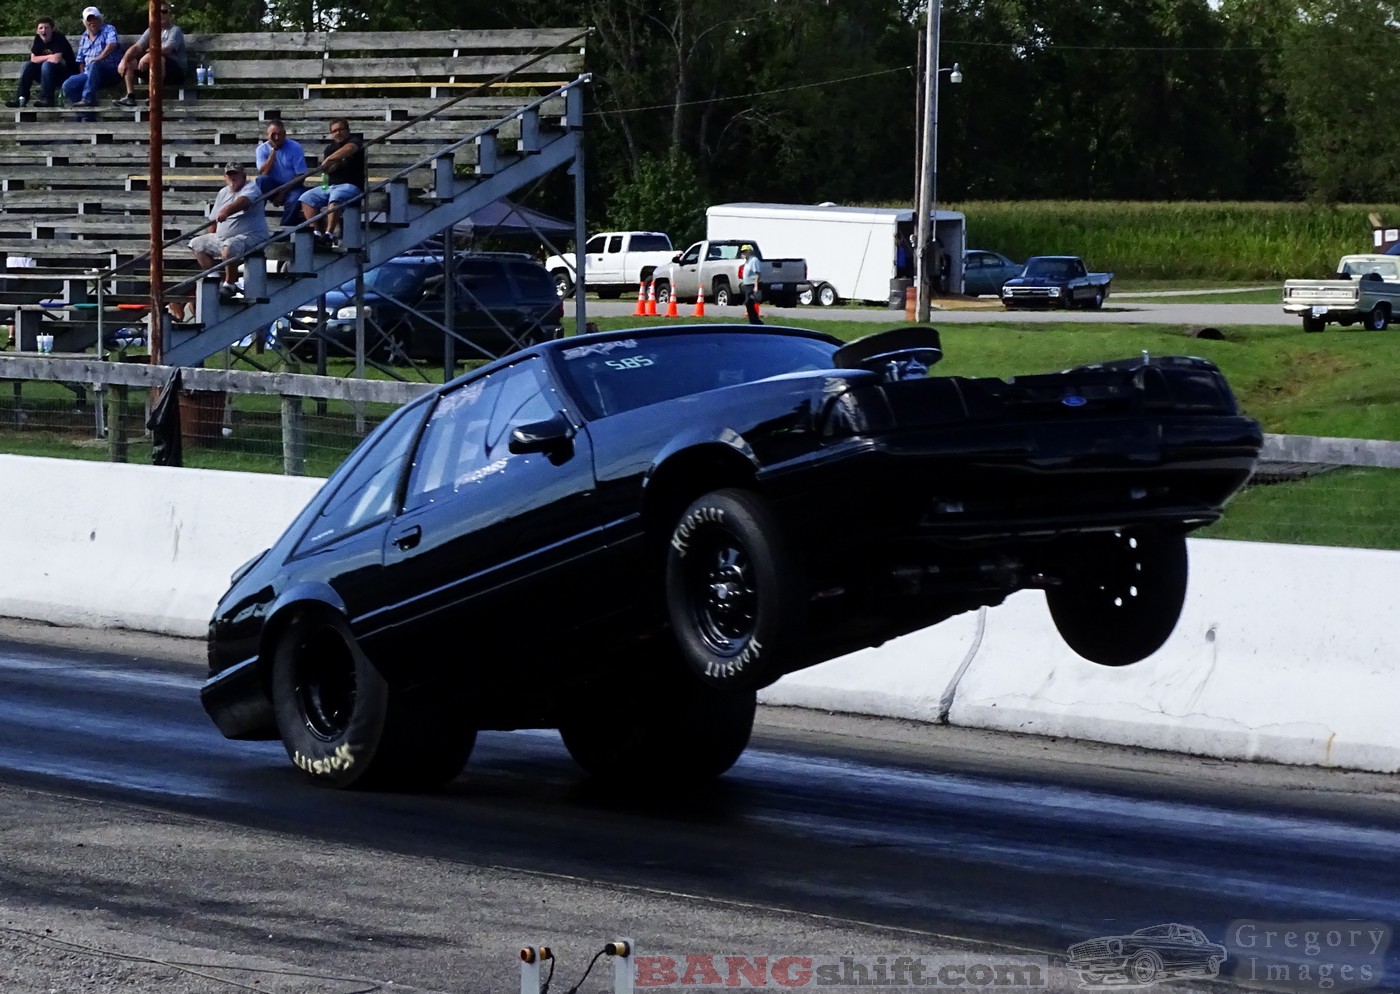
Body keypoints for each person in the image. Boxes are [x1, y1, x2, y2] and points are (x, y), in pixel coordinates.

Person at [188, 163, 268, 300]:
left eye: (235, 174)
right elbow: (213, 219)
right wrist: (211, 235)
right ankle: (213, 277)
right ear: (225, 177)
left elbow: (244, 201)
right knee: (196, 243)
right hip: (223, 237)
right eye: (229, 175)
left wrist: (227, 210)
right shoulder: (223, 192)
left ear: (243, 175)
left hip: (250, 236)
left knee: (229, 247)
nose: (233, 178)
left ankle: (230, 284)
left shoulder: (251, 188)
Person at [299, 117, 365, 245]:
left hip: (352, 186)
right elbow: (327, 171)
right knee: (306, 198)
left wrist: (330, 160)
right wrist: (336, 161)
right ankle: (316, 232)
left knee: (336, 196)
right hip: (330, 186)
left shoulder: (355, 141)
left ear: (347, 130)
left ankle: (329, 234)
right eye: (334, 131)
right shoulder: (329, 148)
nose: (337, 133)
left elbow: (350, 148)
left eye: (340, 129)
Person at [114, 2, 185, 107]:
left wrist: (149, 55)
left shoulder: (175, 31)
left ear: (170, 15)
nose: (161, 14)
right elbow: (137, 47)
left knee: (159, 59)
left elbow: (167, 50)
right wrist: (124, 61)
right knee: (130, 61)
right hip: (156, 70)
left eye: (164, 11)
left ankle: (156, 96)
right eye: (157, 12)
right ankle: (130, 97)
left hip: (176, 72)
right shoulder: (152, 29)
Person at [6, 16, 76, 108]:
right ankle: (21, 98)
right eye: (41, 28)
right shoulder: (38, 39)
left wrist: (45, 58)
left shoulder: (59, 38)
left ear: (52, 29)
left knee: (46, 65)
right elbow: (33, 59)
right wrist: (50, 56)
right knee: (28, 66)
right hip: (46, 76)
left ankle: (47, 99)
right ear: (37, 31)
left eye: (46, 28)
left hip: (64, 76)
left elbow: (56, 59)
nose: (44, 31)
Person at [61, 6, 120, 108]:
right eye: (89, 20)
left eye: (95, 19)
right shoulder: (84, 36)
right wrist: (83, 74)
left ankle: (88, 99)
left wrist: (99, 58)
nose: (92, 22)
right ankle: (86, 116)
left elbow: (112, 44)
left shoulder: (109, 29)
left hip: (109, 72)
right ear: (84, 22)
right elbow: (81, 60)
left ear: (100, 19)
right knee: (68, 85)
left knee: (95, 64)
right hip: (89, 74)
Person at [254, 121, 309, 225]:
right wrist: (274, 150)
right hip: (273, 186)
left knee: (296, 198)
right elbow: (264, 172)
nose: (276, 137)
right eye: (273, 134)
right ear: (268, 135)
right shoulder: (261, 149)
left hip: (293, 186)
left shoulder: (295, 147)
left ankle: (284, 229)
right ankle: (255, 222)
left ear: (285, 134)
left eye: (279, 134)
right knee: (260, 181)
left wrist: (282, 192)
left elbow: (301, 176)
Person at [740, 244, 763, 325]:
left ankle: (755, 320)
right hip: (747, 284)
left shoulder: (754, 260)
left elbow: (757, 273)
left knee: (748, 302)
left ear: (749, 252)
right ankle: (753, 320)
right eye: (742, 252)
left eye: (744, 251)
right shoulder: (747, 261)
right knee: (748, 303)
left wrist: (756, 286)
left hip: (752, 284)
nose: (743, 253)